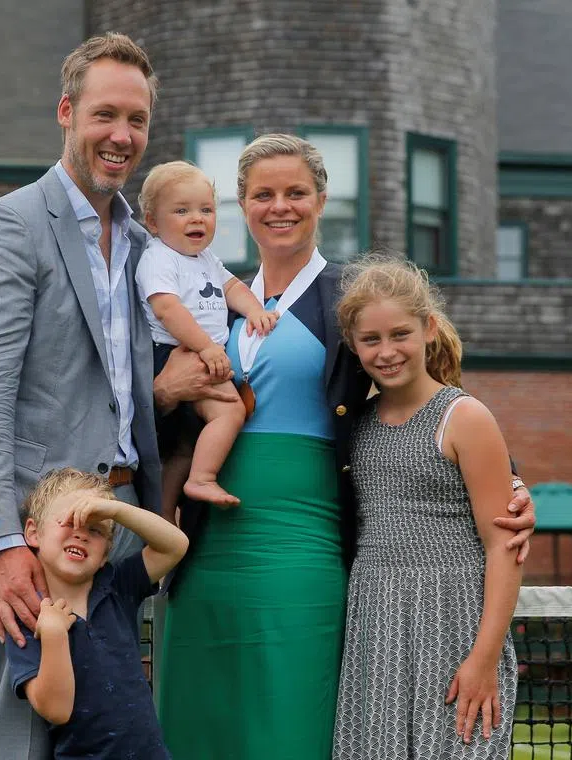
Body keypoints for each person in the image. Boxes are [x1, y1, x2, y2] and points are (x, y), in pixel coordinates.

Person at [156, 134, 537, 760]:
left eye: (296, 192)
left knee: (293, 727)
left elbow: (428, 386)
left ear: (322, 200)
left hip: (305, 543)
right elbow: (153, 414)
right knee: (198, 729)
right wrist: (162, 393)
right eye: (263, 194)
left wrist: (513, 486)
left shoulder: (351, 299)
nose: (280, 207)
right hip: (203, 550)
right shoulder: (203, 293)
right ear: (242, 207)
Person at [0, 33, 229, 760]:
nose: (121, 135)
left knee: (111, 732)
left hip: (123, 525)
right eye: (104, 115)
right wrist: (3, 545)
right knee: (29, 739)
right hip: (35, 534)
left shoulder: (141, 242)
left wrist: (162, 395)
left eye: (136, 120)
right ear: (66, 112)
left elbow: (104, 393)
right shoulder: (8, 226)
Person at [332, 256, 521, 758]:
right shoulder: (355, 425)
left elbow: (504, 543)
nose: (387, 351)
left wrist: (483, 659)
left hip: (454, 624)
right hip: (375, 625)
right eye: (371, 340)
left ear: (429, 329)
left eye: (400, 334)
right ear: (353, 345)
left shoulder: (465, 416)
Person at [5, 468, 187, 760]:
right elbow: (56, 710)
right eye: (68, 521)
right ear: (33, 533)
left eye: (95, 529)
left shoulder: (118, 586)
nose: (81, 533)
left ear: (105, 555)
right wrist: (53, 634)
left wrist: (115, 510)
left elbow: (176, 546)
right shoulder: (27, 614)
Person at [135, 160, 278, 512]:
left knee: (182, 448)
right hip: (174, 353)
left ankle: (166, 515)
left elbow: (231, 286)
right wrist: (207, 349)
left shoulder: (205, 258)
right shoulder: (159, 258)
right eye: (181, 210)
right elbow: (167, 310)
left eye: (206, 209)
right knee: (229, 412)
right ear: (153, 222)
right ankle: (203, 478)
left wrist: (255, 310)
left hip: (199, 353)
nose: (197, 218)